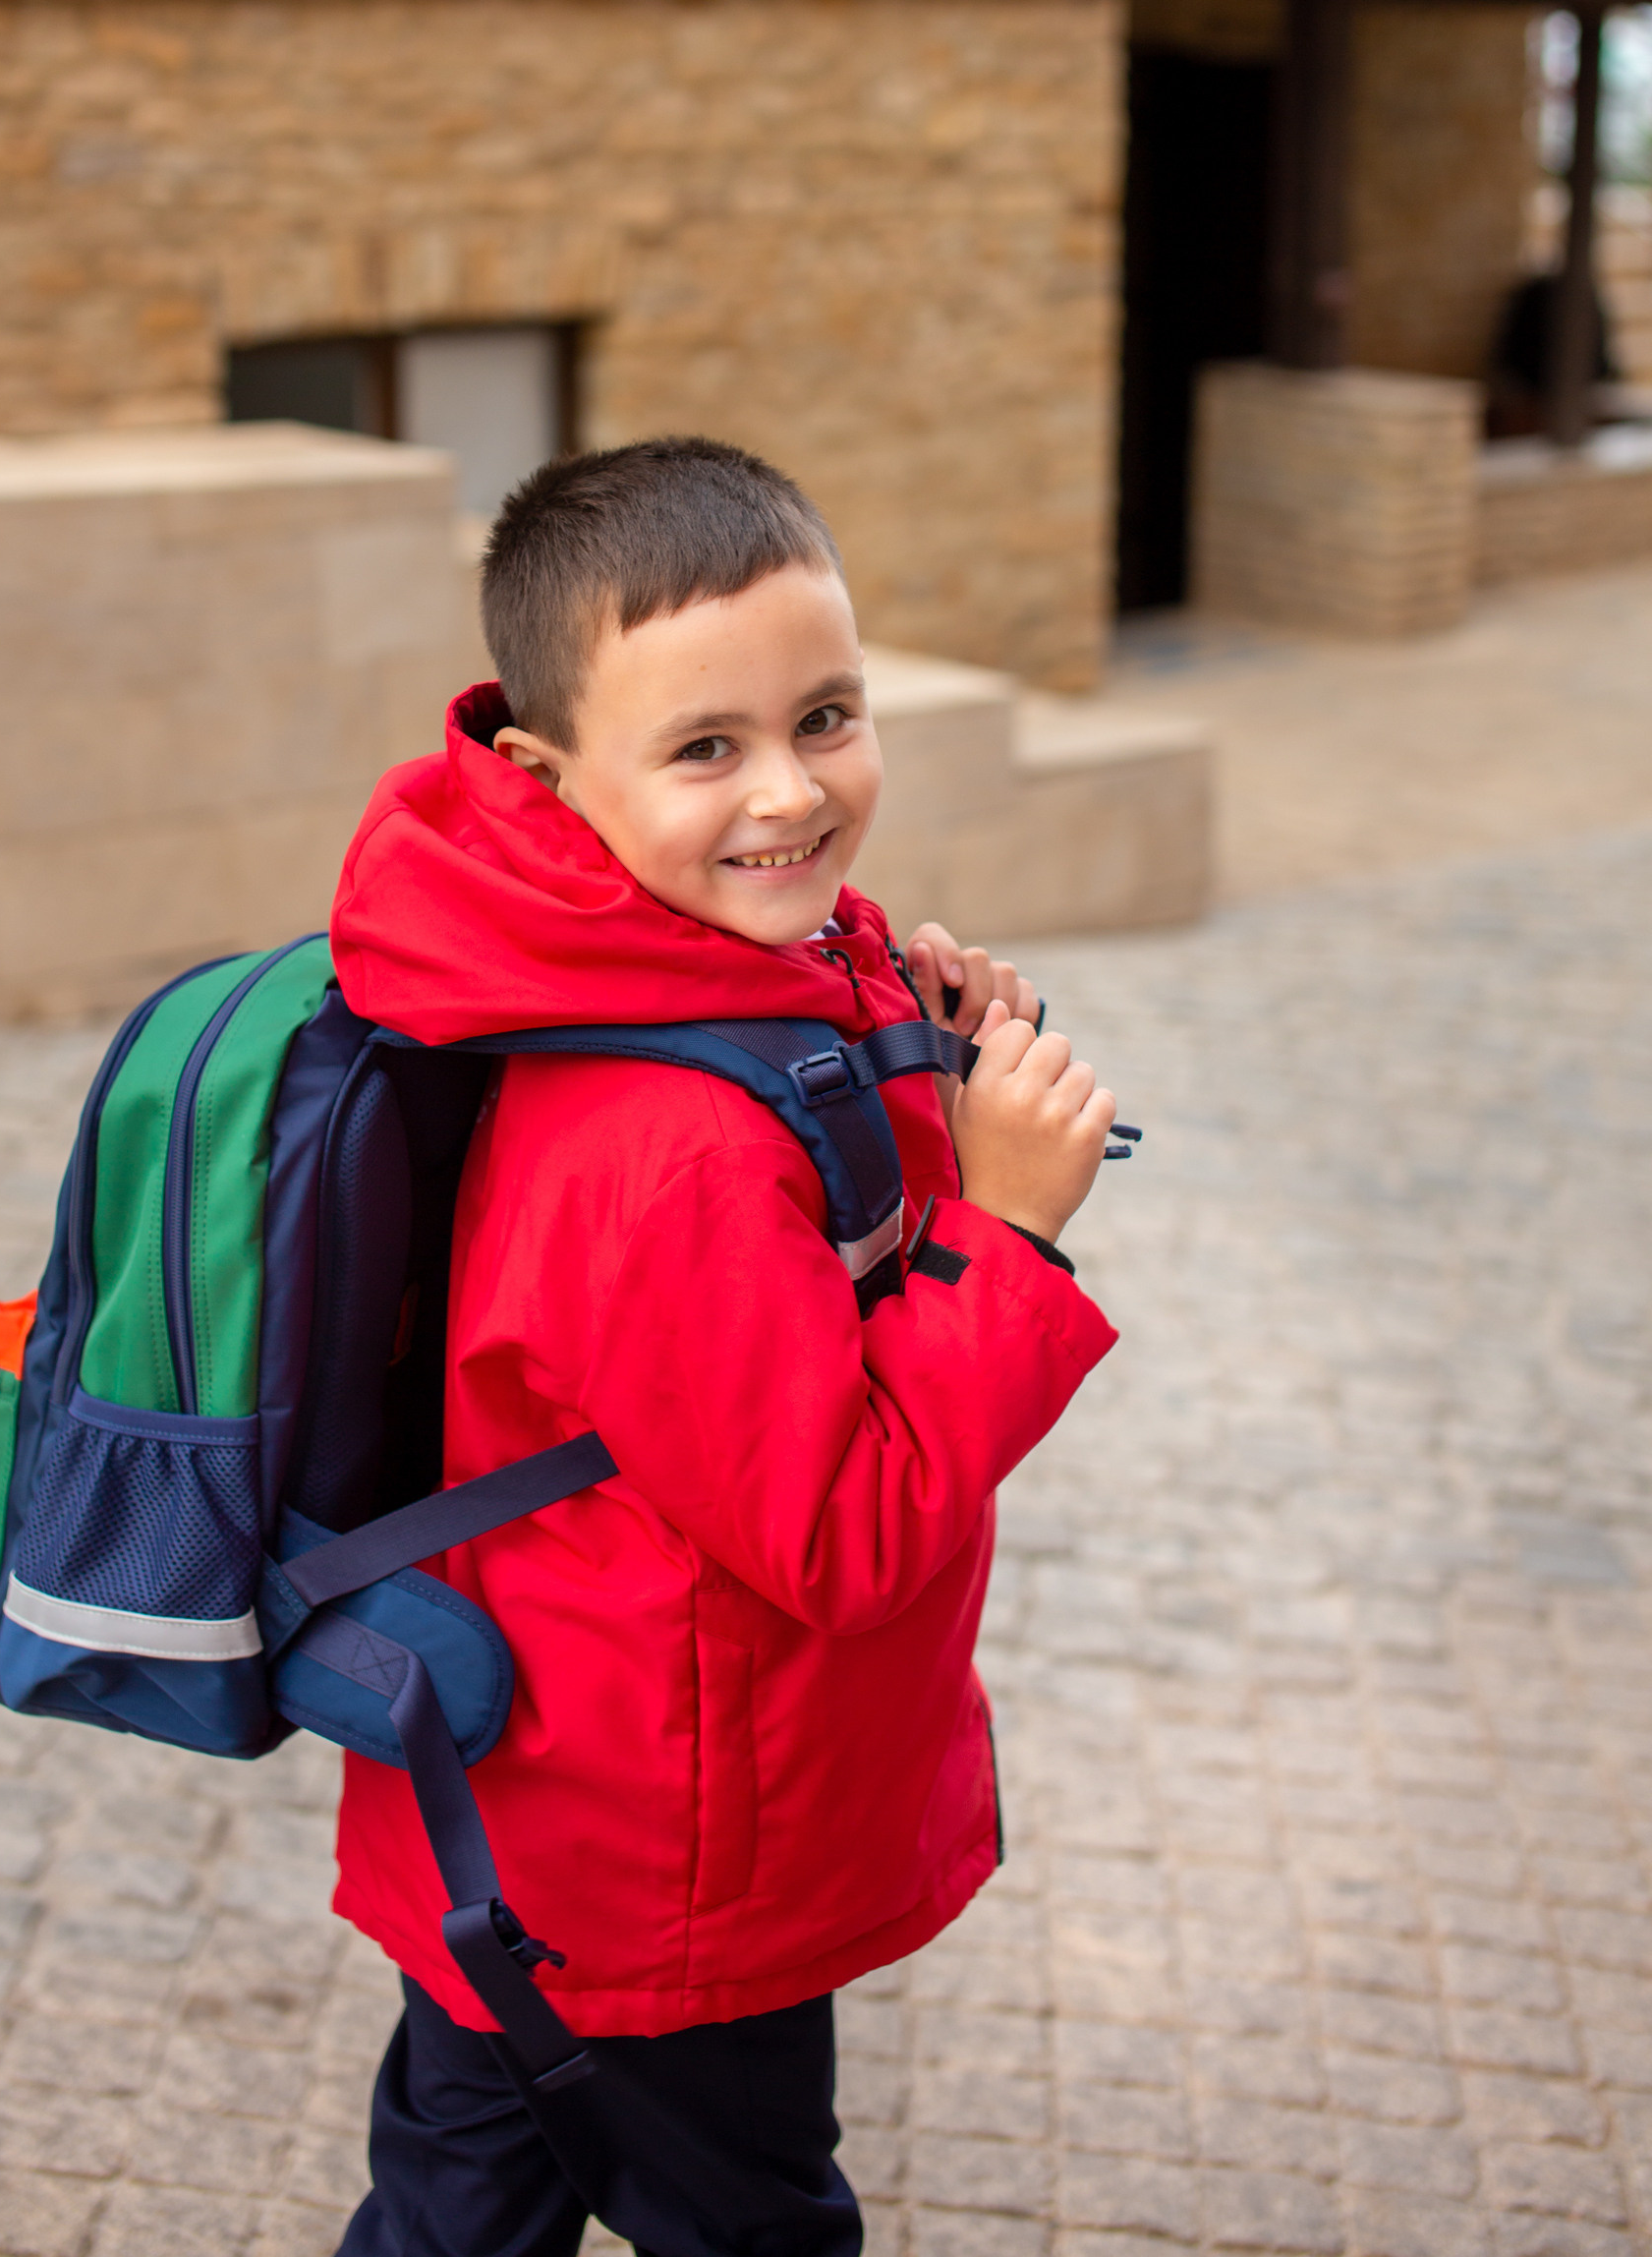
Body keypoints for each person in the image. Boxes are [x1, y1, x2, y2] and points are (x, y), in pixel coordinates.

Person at [327, 436, 1120, 2256]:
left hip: (536, 1822)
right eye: (706, 749)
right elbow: (842, 1529)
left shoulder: (660, 965)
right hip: (666, 1863)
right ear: (549, 773)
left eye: (827, 715)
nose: (790, 791)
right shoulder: (657, 1144)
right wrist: (1002, 1230)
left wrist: (919, 1062)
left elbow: (796, 1272)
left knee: (457, 2220)